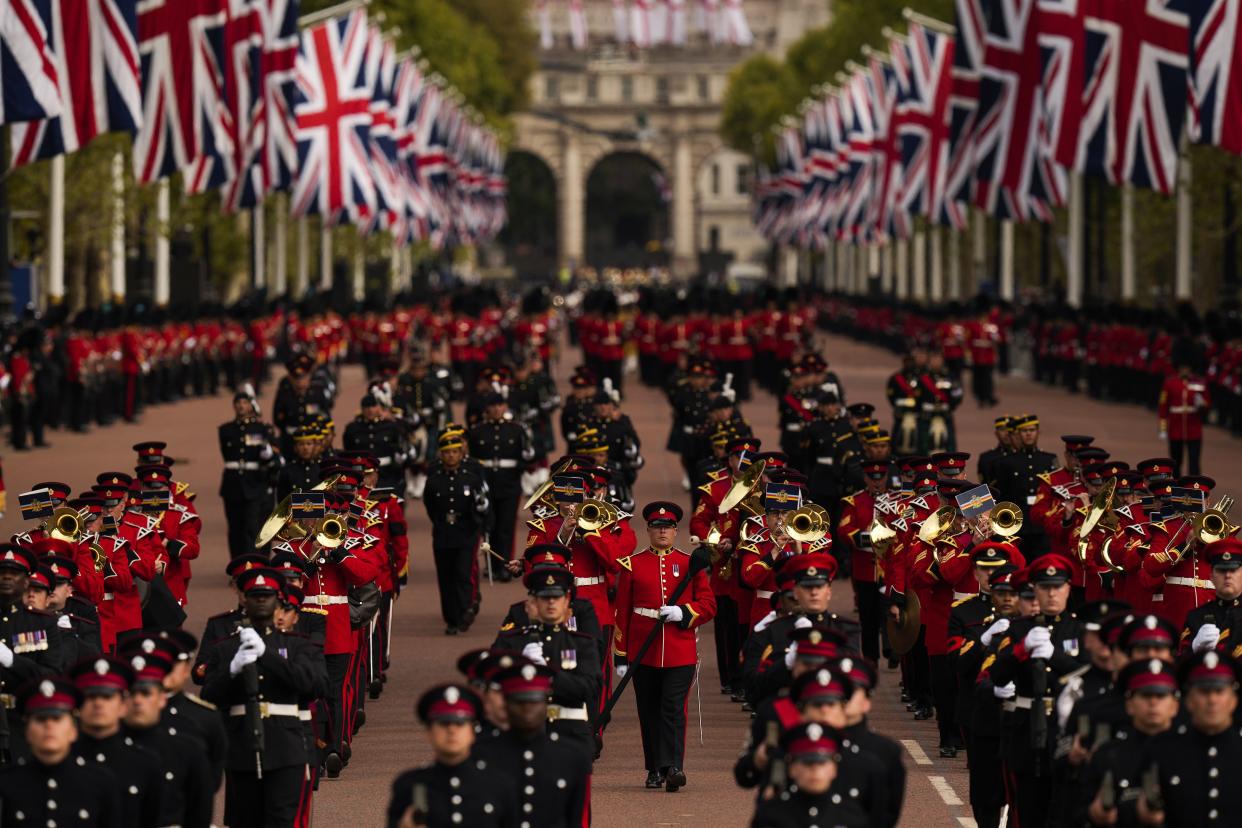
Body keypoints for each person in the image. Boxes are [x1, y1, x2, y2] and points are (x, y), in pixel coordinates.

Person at [202, 566, 327, 828]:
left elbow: (312, 685)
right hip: (241, 744)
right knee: (244, 821)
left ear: (278, 601)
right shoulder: (226, 648)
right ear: (244, 600)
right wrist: (232, 669)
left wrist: (267, 656)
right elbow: (209, 695)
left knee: (280, 820)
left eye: (267, 595)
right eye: (255, 595)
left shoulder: (297, 646)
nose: (261, 600)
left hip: (286, 746)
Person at [613, 501, 716, 791]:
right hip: (642, 650)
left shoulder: (689, 563)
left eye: (668, 527)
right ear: (648, 530)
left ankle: (674, 767)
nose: (662, 532)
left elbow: (708, 605)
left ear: (675, 531)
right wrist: (621, 655)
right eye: (657, 527)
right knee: (649, 710)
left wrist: (683, 612)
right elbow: (622, 612)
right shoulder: (632, 564)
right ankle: (654, 769)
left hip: (678, 649)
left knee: (673, 709)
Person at [987, 553, 1088, 827]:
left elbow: (1090, 678)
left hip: (1067, 730)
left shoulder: (1081, 630)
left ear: (1068, 588)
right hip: (1025, 728)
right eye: (1044, 587)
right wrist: (1020, 651)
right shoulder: (1019, 629)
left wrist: (1055, 657)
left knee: (1065, 810)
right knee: (1028, 810)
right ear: (1035, 590)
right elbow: (996, 676)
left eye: (1057, 587)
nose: (1051, 594)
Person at [492, 565, 601, 762]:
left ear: (567, 601)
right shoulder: (514, 642)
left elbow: (589, 689)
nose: (551, 602)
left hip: (570, 736)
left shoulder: (582, 644)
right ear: (532, 603)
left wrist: (547, 674)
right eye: (544, 597)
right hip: (522, 735)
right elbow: (494, 683)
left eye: (556, 597)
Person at [386, 684, 519, 828]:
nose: (452, 730)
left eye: (460, 723)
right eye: (443, 723)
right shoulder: (411, 786)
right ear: (429, 732)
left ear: (472, 732)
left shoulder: (498, 785)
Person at [1134, 650, 1242, 826]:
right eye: (1204, 691)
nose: (1212, 700)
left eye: (1219, 691)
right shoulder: (1162, 750)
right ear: (1189, 700)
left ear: (1233, 700)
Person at [476, 662, 589, 828]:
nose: (527, 709)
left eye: (534, 702)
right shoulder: (482, 754)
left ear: (546, 703)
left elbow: (574, 820)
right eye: (519, 702)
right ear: (506, 704)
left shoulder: (571, 757)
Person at [0, 677, 121, 827]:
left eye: (57, 719)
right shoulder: (6, 783)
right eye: (40, 719)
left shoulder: (101, 783)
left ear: (73, 730)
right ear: (27, 731)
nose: (49, 726)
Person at [69, 655, 165, 828]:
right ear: (77, 707)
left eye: (107, 697)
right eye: (90, 697)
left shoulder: (145, 764)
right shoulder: (61, 761)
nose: (98, 703)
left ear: (123, 706)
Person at [0, 543, 65, 763]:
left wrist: (11, 661)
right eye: (2, 572)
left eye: (14, 573)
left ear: (26, 581)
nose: (7, 578)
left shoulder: (43, 623)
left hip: (24, 722)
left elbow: (52, 675)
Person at [423, 429, 490, 634]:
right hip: (443, 533)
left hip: (466, 532)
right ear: (441, 455)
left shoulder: (472, 478)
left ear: (461, 454)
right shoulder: (434, 480)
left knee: (462, 573)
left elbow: (481, 505)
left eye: (455, 452)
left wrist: (479, 524)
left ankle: (466, 609)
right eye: (447, 452)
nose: (451, 456)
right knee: (446, 577)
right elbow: (430, 506)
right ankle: (451, 619)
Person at [748, 722, 870, 828]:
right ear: (792, 769)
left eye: (822, 763)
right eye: (807, 763)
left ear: (834, 769)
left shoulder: (851, 816)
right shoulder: (771, 814)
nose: (815, 770)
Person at [469, 392, 534, 579]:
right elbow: (472, 460)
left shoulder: (516, 430)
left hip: (509, 484)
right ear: (487, 409)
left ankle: (504, 565)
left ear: (505, 407)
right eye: (493, 406)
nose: (497, 409)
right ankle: (490, 566)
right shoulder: (477, 431)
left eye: (500, 405)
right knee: (489, 526)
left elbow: (526, 457)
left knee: (506, 526)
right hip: (486, 483)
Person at [219, 389, 280, 558]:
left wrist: (267, 456)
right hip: (232, 483)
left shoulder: (260, 429)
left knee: (251, 526)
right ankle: (237, 565)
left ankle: (251, 563)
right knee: (234, 528)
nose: (241, 406)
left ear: (250, 406)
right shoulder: (225, 430)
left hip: (254, 482)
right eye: (238, 403)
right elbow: (226, 454)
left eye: (244, 403)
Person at [1157, 357, 1211, 476]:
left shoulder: (1200, 383)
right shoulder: (1170, 383)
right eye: (1182, 368)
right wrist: (1162, 428)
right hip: (1176, 428)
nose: (1185, 371)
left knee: (1194, 462)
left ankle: (1195, 486)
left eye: (1187, 368)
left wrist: (1202, 404)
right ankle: (1177, 485)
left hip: (1194, 428)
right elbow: (1163, 407)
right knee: (1176, 461)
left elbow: (1207, 403)